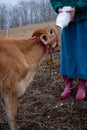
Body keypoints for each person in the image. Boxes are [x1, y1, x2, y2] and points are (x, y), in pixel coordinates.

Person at [49, 0, 87, 100]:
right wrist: (59, 8)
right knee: (67, 53)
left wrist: (76, 7)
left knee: (82, 52)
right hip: (65, 19)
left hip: (82, 17)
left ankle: (82, 84)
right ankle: (68, 84)